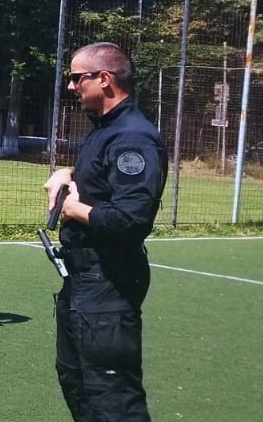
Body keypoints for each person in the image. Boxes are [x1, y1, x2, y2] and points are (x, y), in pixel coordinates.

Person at [44, 42, 165, 421]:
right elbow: (102, 182)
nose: (71, 86)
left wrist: (72, 208)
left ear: (104, 79)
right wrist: (67, 173)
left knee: (111, 394)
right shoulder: (106, 129)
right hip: (83, 278)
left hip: (108, 280)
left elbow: (130, 221)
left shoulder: (133, 137)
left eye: (76, 78)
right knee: (77, 380)